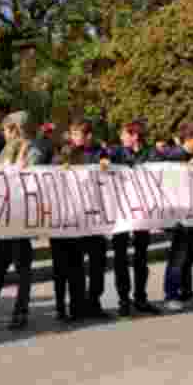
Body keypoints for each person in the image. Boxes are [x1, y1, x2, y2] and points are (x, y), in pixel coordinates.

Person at [0, 111, 48, 330]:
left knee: (22, 268)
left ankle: (20, 311)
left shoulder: (34, 149)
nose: (4, 134)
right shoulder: (10, 148)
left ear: (18, 129)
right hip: (6, 216)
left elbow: (29, 177)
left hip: (21, 216)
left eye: (8, 129)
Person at [106, 121, 161, 316]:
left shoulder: (150, 153)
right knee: (120, 256)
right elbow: (101, 160)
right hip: (121, 212)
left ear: (135, 136)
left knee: (141, 257)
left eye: (124, 134)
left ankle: (140, 297)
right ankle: (123, 299)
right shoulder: (116, 153)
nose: (121, 138)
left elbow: (160, 171)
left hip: (141, 213)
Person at [64, 120, 109, 319]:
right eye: (72, 134)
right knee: (75, 265)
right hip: (76, 216)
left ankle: (94, 302)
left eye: (77, 134)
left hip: (97, 216)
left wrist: (107, 163)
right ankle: (76, 305)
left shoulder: (101, 152)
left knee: (97, 263)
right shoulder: (68, 153)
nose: (74, 138)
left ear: (88, 135)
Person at [162, 120, 193, 310]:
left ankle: (187, 293)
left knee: (189, 256)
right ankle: (171, 294)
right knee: (178, 256)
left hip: (191, 212)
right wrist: (187, 167)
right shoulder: (176, 155)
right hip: (179, 215)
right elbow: (170, 181)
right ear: (190, 137)